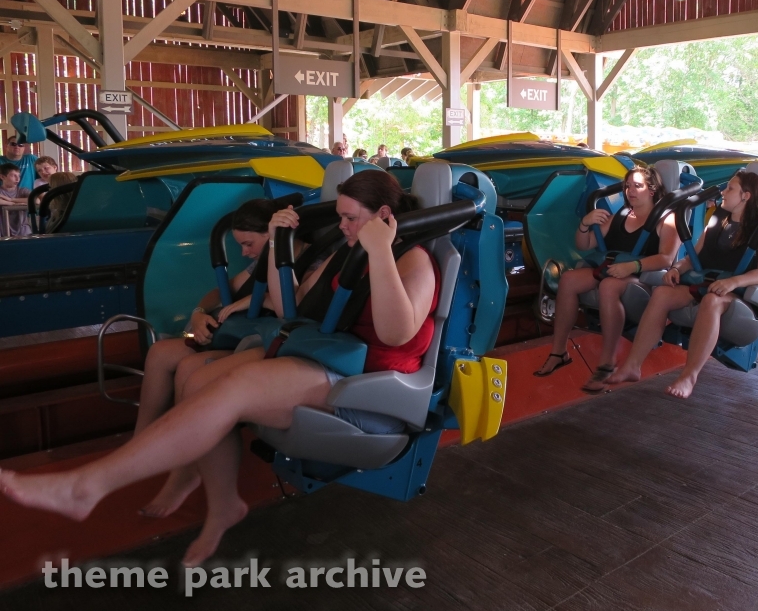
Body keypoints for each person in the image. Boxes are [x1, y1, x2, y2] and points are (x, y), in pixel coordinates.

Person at [0, 170, 438, 567]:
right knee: (202, 377)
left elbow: (396, 333)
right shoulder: (347, 253)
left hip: (374, 389)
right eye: (340, 217)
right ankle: (223, 502)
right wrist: (277, 243)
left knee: (236, 387)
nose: (341, 227)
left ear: (383, 215)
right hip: (331, 356)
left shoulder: (414, 260)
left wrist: (380, 250)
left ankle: (86, 487)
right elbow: (294, 308)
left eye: (350, 218)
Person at [130, 198, 280, 517]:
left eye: (249, 244)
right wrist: (199, 315)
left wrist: (257, 299)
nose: (244, 252)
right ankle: (140, 443)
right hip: (240, 335)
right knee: (159, 353)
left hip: (265, 340)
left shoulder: (296, 256)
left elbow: (300, 299)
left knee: (190, 369)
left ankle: (187, 469)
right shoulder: (260, 262)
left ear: (271, 234)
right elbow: (219, 291)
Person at [606, 171, 758, 399]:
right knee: (661, 294)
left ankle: (689, 375)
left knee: (711, 300)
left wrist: (732, 282)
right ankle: (632, 365)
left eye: (730, 189)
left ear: (746, 196)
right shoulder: (715, 225)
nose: (723, 193)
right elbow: (691, 258)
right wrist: (677, 269)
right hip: (709, 284)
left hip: (740, 294)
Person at [534, 167, 680, 392]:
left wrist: (632, 266)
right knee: (569, 280)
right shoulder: (619, 216)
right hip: (613, 270)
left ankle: (607, 362)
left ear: (652, 191)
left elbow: (666, 258)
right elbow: (584, 244)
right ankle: (559, 351)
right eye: (628, 186)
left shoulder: (666, 219)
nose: (631, 191)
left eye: (637, 186)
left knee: (609, 286)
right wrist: (585, 223)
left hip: (644, 278)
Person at [0, 162, 31, 236]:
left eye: (19, 176)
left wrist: (11, 199)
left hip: (23, 232)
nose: (17, 179)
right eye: (14, 175)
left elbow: (36, 200)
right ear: (2, 177)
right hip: (3, 232)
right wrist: (12, 204)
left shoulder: (23, 191)